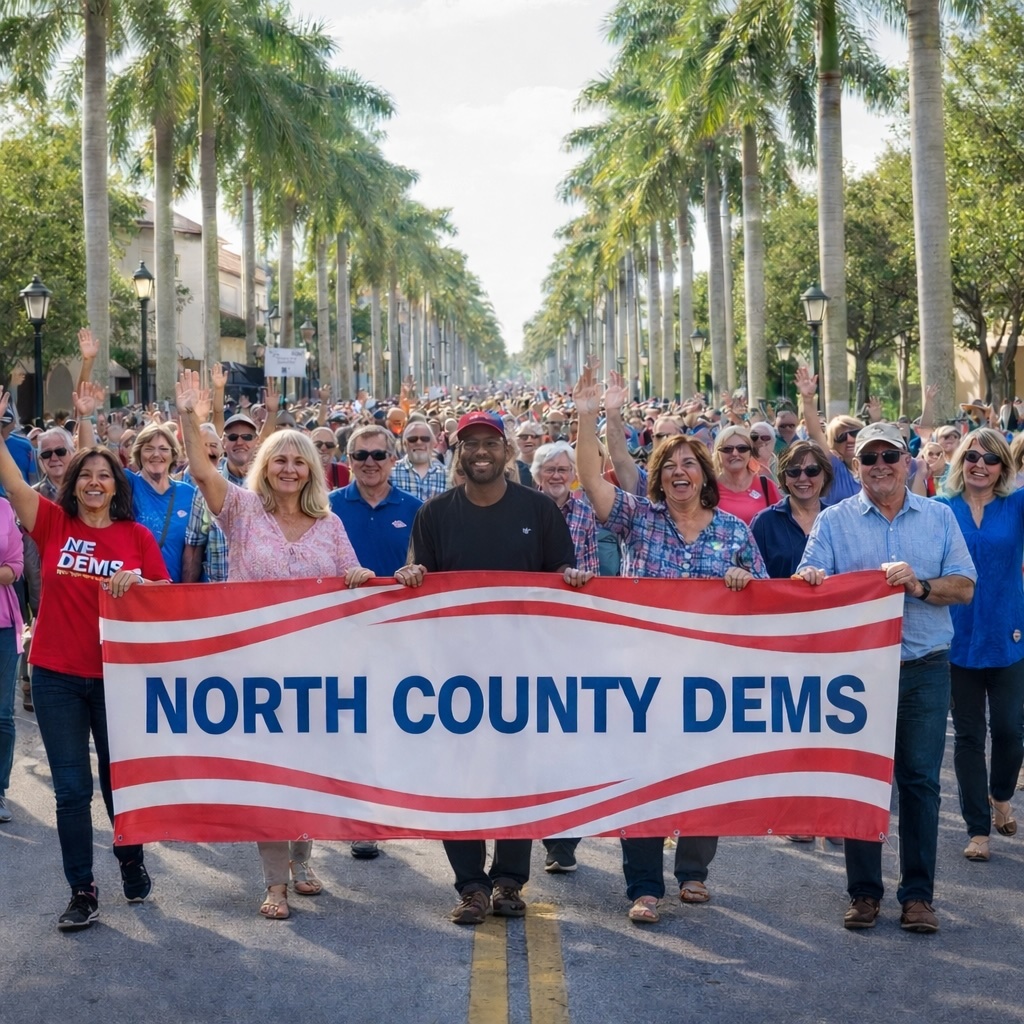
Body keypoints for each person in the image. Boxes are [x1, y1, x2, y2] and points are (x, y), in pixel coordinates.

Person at [175, 371, 373, 921]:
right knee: (269, 777)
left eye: (299, 460)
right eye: (279, 459)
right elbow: (198, 468)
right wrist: (192, 415)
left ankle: (304, 861)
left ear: (312, 470)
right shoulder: (239, 511)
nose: (289, 468)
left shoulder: (329, 524)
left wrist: (360, 577)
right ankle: (274, 884)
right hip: (256, 667)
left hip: (317, 671)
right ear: (266, 466)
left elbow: (350, 573)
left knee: (307, 773)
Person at [572, 367, 767, 925]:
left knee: (704, 771)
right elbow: (591, 479)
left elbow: (765, 601)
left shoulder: (734, 532)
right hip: (642, 674)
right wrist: (592, 416)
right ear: (657, 478)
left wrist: (744, 583)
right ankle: (643, 885)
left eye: (689, 465)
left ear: (705, 476)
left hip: (711, 678)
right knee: (642, 774)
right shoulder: (639, 519)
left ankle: (693, 873)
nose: (680, 472)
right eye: (669, 466)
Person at [395, 409, 584, 926]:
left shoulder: (540, 511)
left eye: (490, 443)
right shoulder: (434, 514)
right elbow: (421, 579)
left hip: (524, 671)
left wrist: (570, 577)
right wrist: (412, 574)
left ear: (507, 452)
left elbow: (559, 576)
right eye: (471, 443)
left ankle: (507, 882)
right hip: (453, 675)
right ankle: (471, 886)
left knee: (517, 776)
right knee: (457, 780)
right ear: (458, 451)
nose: (481, 451)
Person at [0, 386, 170, 931]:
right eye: (85, 474)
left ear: (117, 486)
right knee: (71, 789)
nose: (95, 482)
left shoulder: (137, 535)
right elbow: (8, 478)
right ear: (71, 485)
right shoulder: (52, 524)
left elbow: (167, 599)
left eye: (105, 475)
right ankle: (82, 890)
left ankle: (130, 857)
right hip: (54, 674)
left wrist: (140, 582)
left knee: (118, 781)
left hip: (118, 676)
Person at [796, 421, 976, 934]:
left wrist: (919, 586)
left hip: (923, 667)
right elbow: (809, 582)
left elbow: (964, 587)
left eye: (889, 457)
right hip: (858, 673)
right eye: (869, 458)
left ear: (908, 462)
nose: (879, 466)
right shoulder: (833, 521)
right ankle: (864, 894)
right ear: (856, 467)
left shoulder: (939, 517)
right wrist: (810, 580)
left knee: (919, 783)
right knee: (861, 781)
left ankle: (918, 897)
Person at [329, 424, 422, 861]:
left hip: (398, 635)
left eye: (379, 455)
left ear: (392, 459)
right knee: (350, 726)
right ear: (348, 460)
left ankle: (389, 806)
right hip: (338, 633)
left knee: (390, 724)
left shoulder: (416, 509)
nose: (370, 462)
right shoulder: (325, 508)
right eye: (361, 455)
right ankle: (359, 821)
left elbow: (430, 568)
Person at [936, 429, 1024, 862]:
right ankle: (977, 829)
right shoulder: (940, 508)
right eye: (972, 456)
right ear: (960, 461)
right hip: (955, 637)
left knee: (1009, 729)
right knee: (969, 737)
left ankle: (1002, 796)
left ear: (1003, 468)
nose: (980, 465)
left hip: (1009, 634)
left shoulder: (1017, 504)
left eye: (991, 460)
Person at [127, 422, 195, 581]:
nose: (156, 454)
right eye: (149, 449)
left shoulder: (188, 493)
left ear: (173, 455)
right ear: (139, 453)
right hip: (136, 591)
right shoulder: (127, 483)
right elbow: (92, 467)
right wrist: (85, 417)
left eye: (163, 449)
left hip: (174, 593)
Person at [794, 367, 864, 506]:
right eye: (842, 436)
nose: (849, 439)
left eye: (854, 433)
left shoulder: (879, 465)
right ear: (833, 442)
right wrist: (807, 400)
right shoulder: (834, 467)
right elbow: (815, 432)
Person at [0, 497, 24, 824]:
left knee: (2, 714)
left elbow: (15, 566)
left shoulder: (4, 508)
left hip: (3, 625)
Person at [713, 425, 781, 524]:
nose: (735, 453)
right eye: (727, 449)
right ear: (717, 454)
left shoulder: (766, 485)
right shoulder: (709, 488)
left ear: (750, 452)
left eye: (742, 448)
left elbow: (778, 524)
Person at [390, 420, 448, 501]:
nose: (419, 442)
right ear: (405, 444)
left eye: (425, 438)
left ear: (432, 443)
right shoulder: (390, 472)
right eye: (412, 439)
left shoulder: (447, 475)